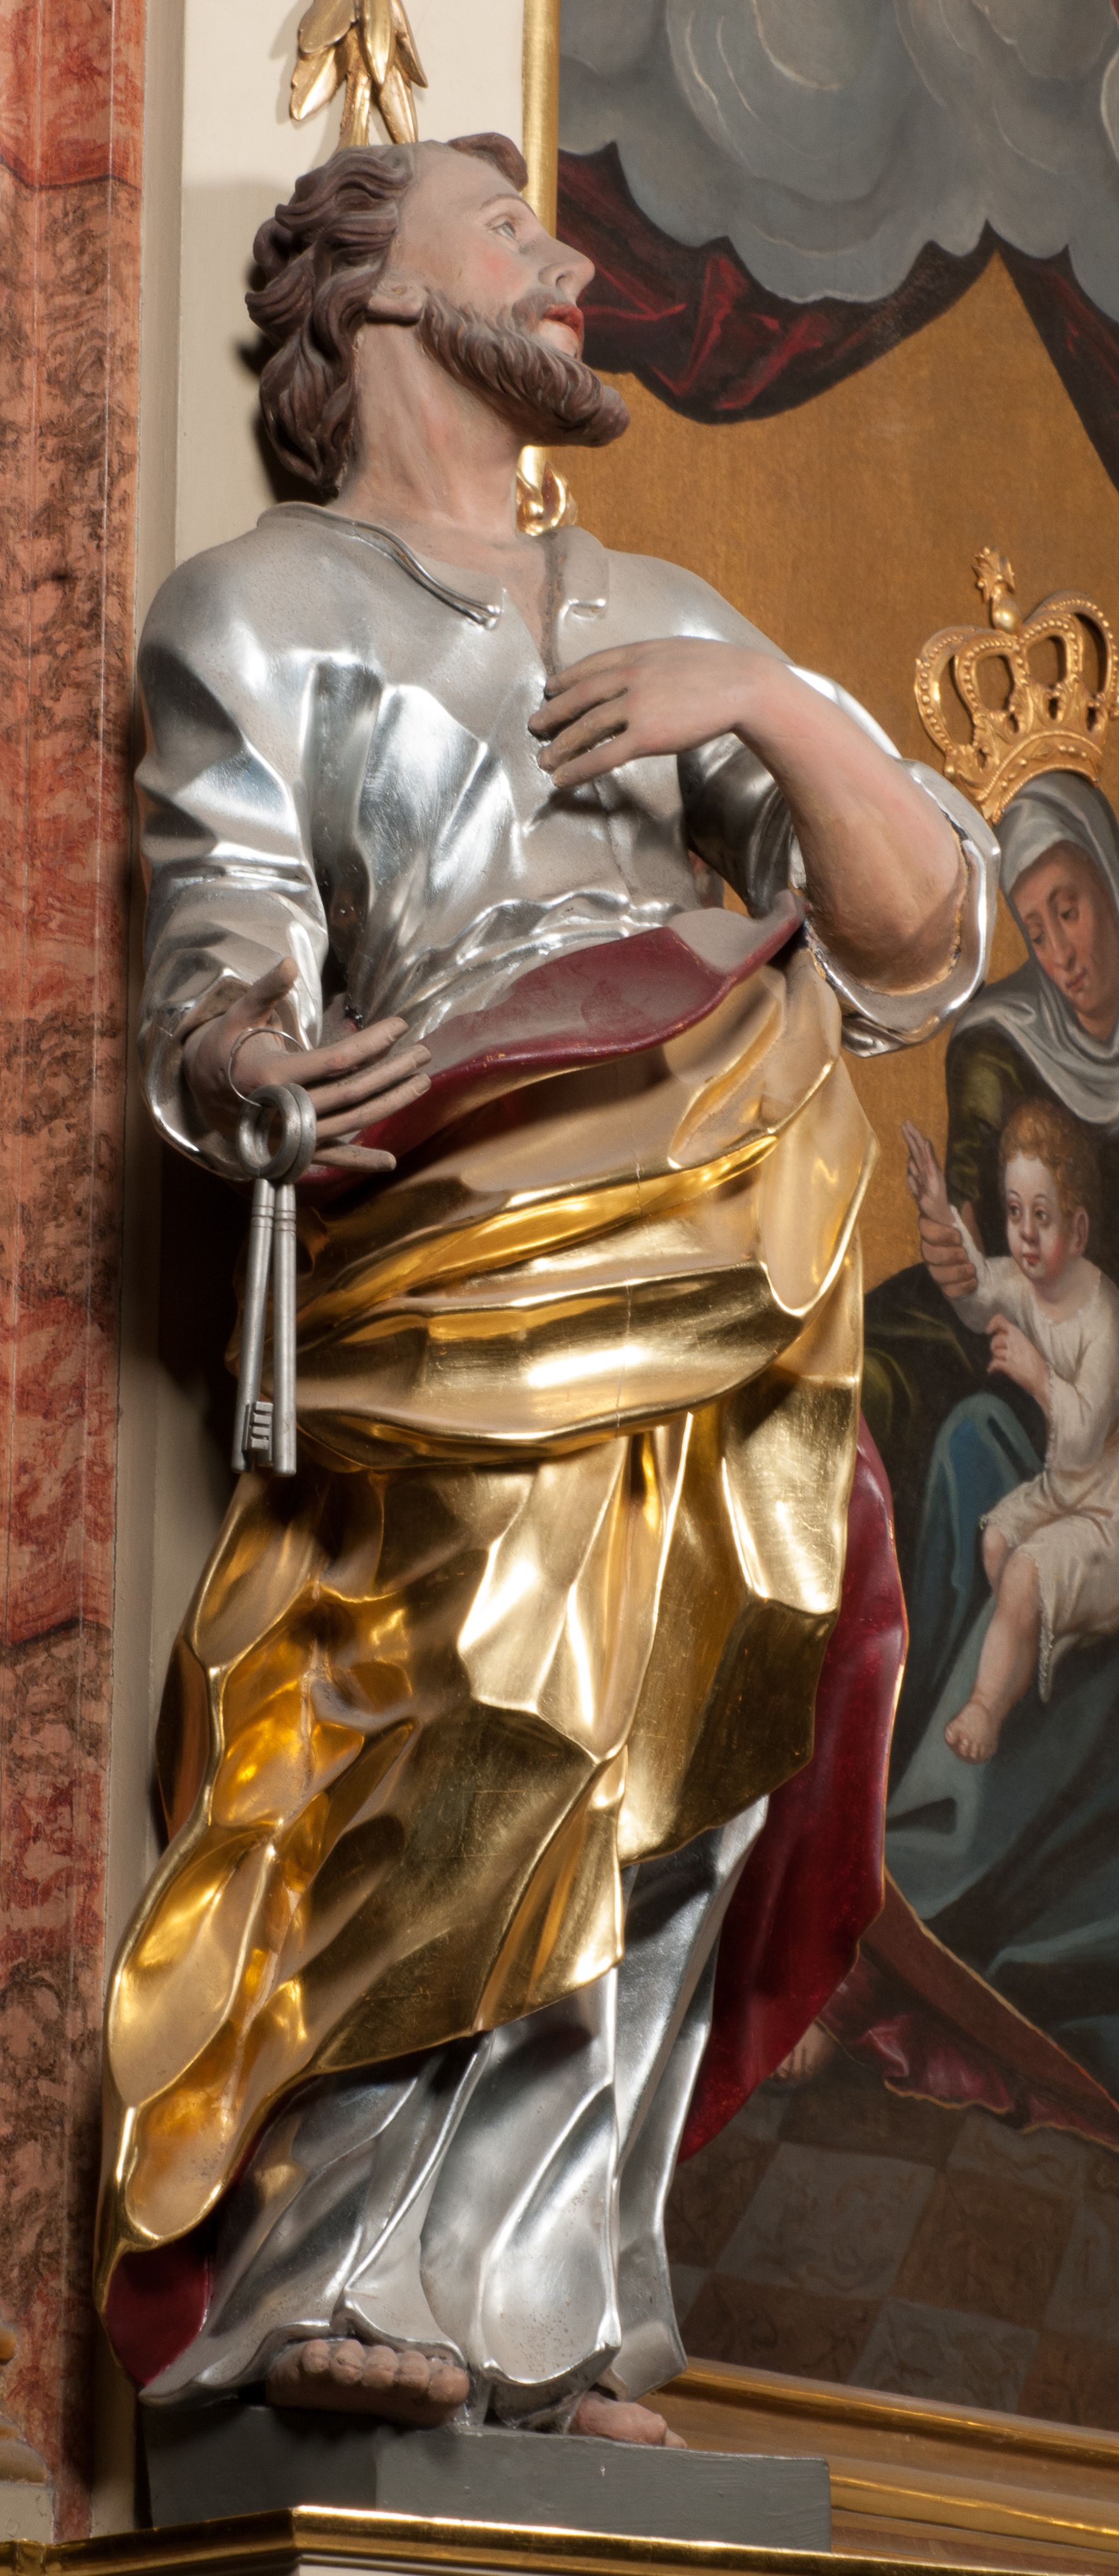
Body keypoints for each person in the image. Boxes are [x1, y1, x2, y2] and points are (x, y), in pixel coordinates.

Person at [96, 133, 992, 2442]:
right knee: (473, 1714)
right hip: (466, 1230)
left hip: (737, 1229)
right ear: (378, 304)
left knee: (695, 1766)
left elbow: (917, 932)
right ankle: (337, 2258)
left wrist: (770, 703)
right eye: (508, 237)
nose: (568, 263)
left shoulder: (666, 607)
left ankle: (563, 2302)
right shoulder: (256, 609)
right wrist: (255, 1059)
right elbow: (222, 938)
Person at [863, 769, 1119, 1579]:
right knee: (864, 1372)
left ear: (1109, 883)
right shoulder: (998, 1039)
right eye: (1034, 931)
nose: (1060, 955)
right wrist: (954, 1241)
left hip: (1094, 1335)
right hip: (1007, 1297)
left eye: (1068, 911)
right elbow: (978, 1216)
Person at [904, 1103, 1119, 1762]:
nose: (1024, 1234)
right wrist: (938, 1210)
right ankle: (1023, 1664)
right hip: (1068, 1489)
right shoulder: (1030, 1283)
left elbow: (1082, 1440)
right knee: (997, 1541)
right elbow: (977, 1297)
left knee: (1024, 1570)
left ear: (1077, 1229)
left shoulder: (1101, 1317)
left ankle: (985, 1708)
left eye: (1042, 1216)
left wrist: (1035, 1376)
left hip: (1110, 1510)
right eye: (1014, 1211)